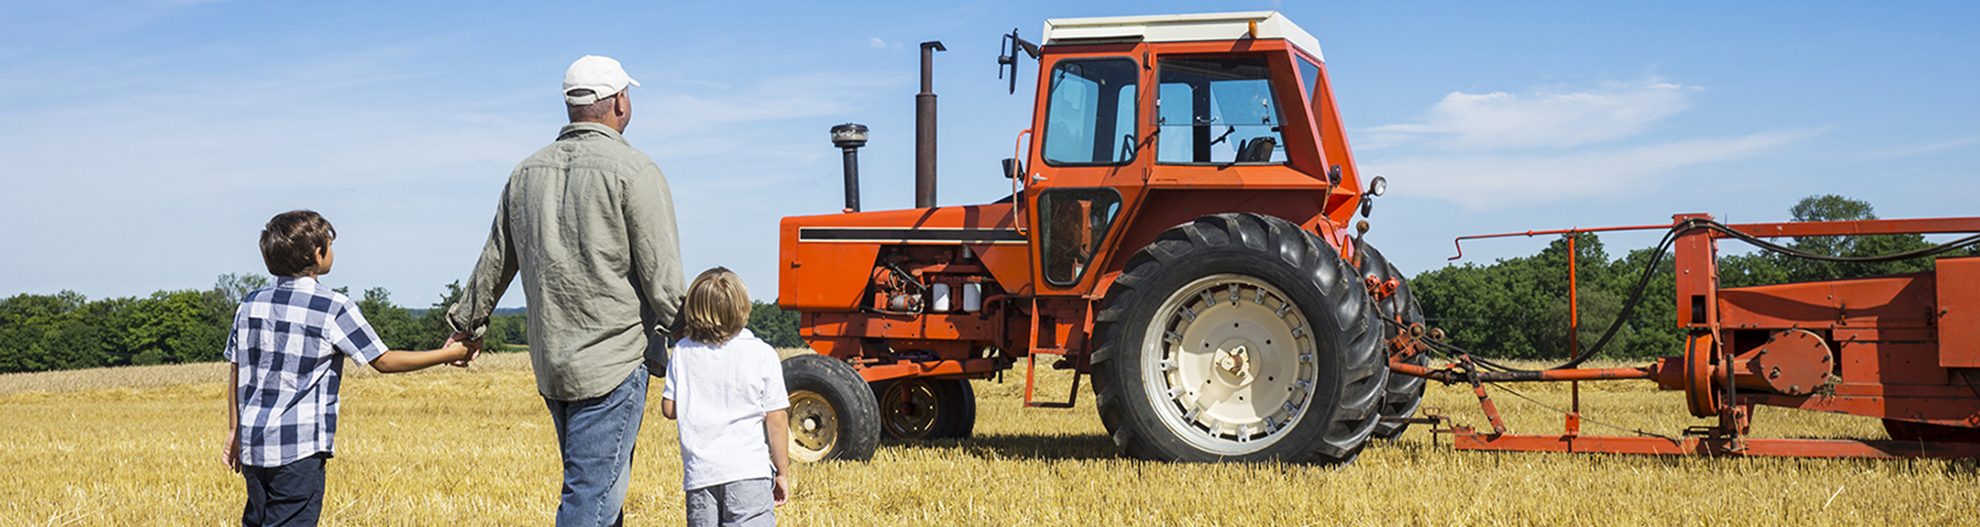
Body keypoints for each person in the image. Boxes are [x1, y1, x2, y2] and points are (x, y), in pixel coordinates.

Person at [446, 54, 686, 526]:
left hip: (552, 361)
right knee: (590, 502)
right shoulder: (635, 171)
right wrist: (697, 338)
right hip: (612, 362)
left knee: (600, 493)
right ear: (619, 102)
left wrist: (466, 323)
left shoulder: (526, 173)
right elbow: (664, 278)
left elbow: (495, 260)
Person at [224, 210, 475, 526]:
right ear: (318, 253)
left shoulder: (249, 304)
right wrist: (447, 353)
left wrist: (234, 431)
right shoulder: (332, 307)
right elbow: (383, 361)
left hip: (253, 445)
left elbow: (236, 370)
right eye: (329, 244)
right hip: (299, 449)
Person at [661, 268, 792, 527]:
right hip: (749, 473)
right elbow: (776, 419)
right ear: (743, 307)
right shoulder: (761, 353)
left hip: (700, 476)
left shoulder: (683, 351)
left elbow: (669, 409)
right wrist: (782, 473)